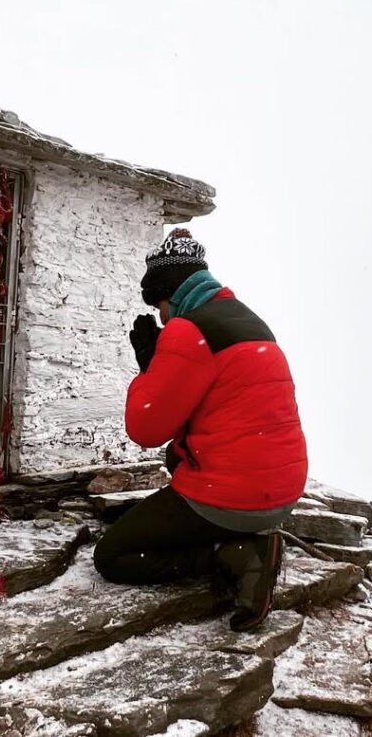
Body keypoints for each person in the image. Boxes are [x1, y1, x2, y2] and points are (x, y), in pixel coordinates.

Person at [93, 228, 308, 631]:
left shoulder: (189, 330)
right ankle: (240, 535)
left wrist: (149, 364)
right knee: (175, 460)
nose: (160, 316)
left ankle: (238, 554)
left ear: (170, 295)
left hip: (235, 498)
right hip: (281, 489)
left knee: (112, 555)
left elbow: (146, 427)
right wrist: (165, 358)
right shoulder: (250, 320)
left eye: (160, 305)